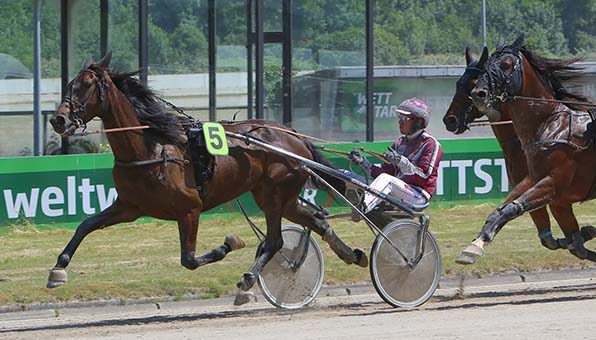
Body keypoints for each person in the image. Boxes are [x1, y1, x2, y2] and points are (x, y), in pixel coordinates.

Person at [349, 98, 443, 213]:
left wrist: (400, 161)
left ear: (418, 121)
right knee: (348, 176)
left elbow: (424, 175)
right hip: (396, 190)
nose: (400, 122)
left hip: (418, 195)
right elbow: (386, 173)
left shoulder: (430, 144)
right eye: (399, 118)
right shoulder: (399, 143)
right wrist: (364, 163)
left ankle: (362, 208)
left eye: (405, 118)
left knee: (386, 180)